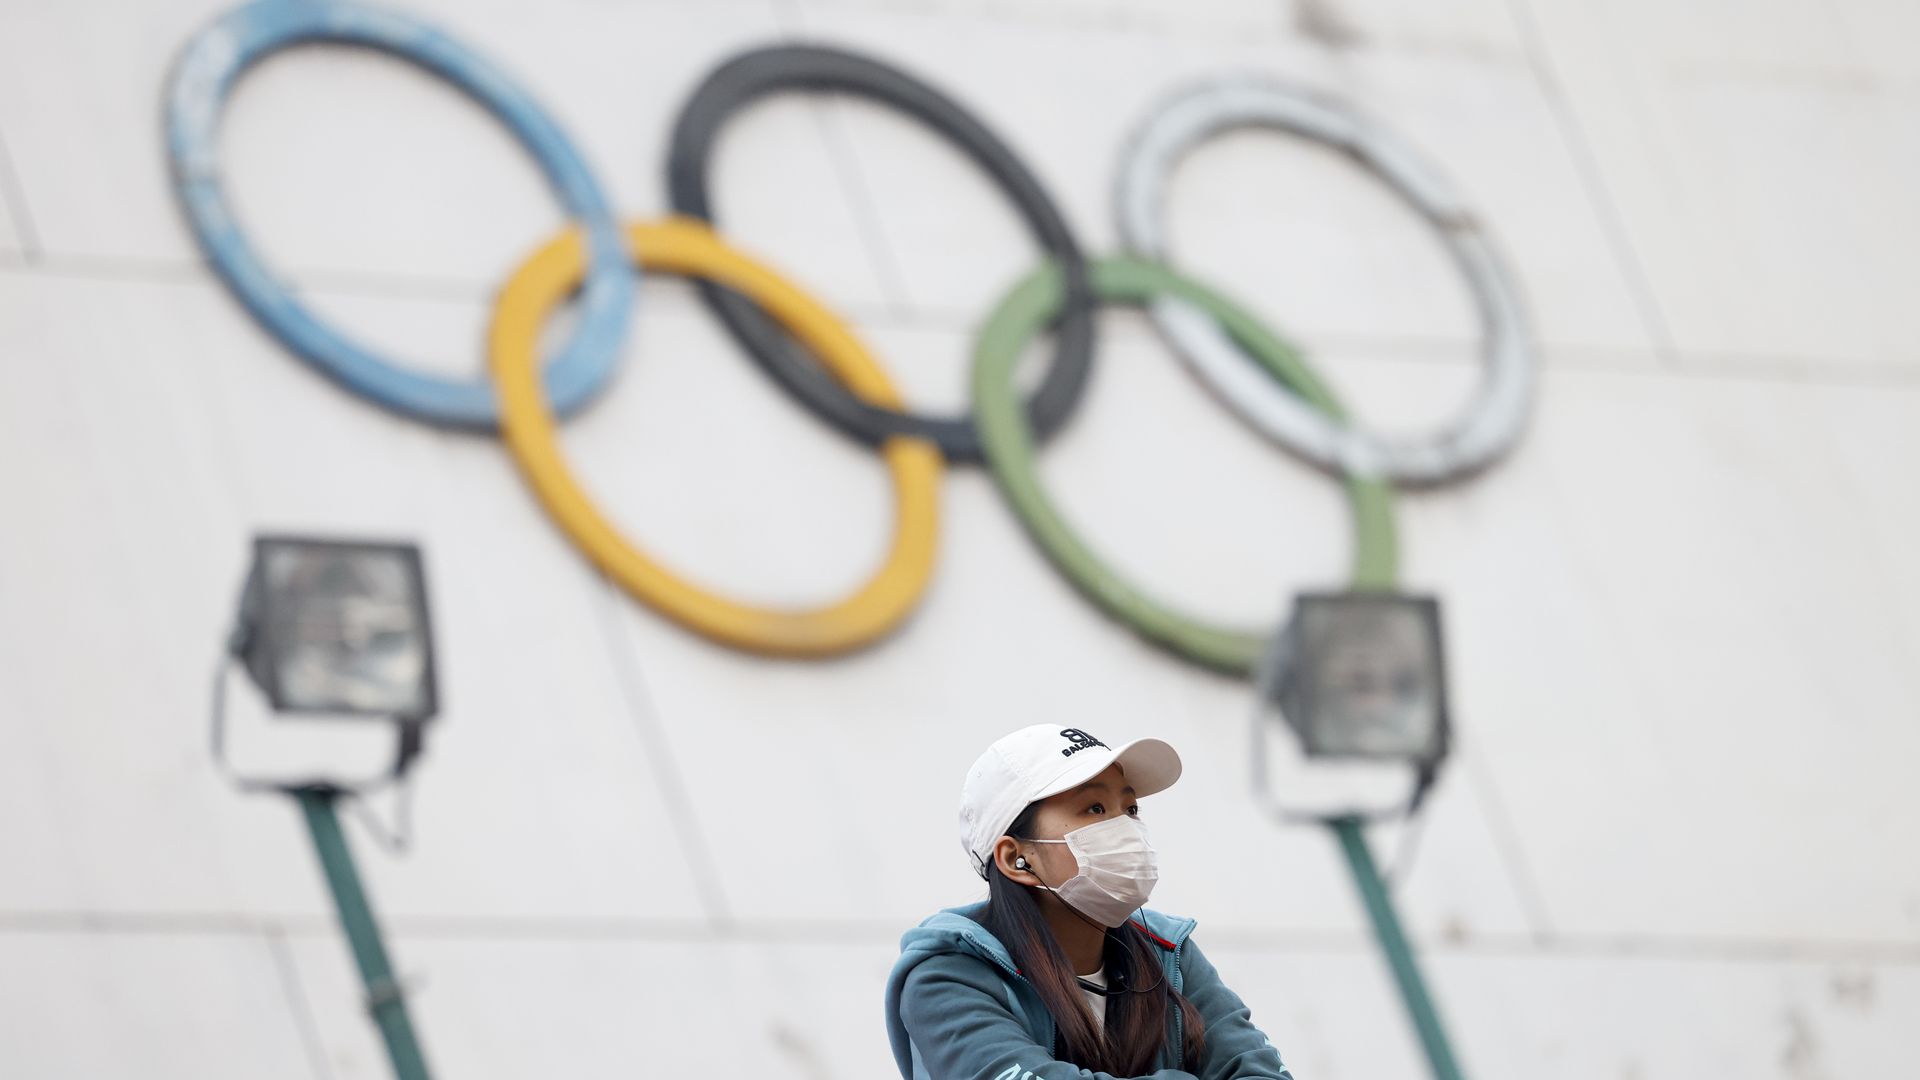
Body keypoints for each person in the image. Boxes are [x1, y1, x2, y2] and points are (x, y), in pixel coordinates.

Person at [885, 724, 1295, 1080]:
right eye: (1095, 808)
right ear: (1015, 858)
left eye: (1130, 808)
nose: (1125, 828)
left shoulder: (1169, 952)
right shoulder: (946, 976)